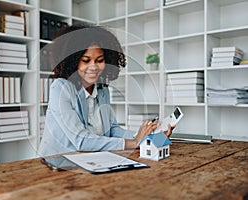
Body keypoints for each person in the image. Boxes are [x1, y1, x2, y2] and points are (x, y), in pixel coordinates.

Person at [38, 25, 173, 157]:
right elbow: (81, 141)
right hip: (57, 162)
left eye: (100, 60)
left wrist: (147, 135)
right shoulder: (61, 88)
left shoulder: (102, 90)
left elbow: (112, 129)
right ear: (72, 62)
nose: (93, 67)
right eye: (86, 61)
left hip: (90, 159)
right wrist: (134, 142)